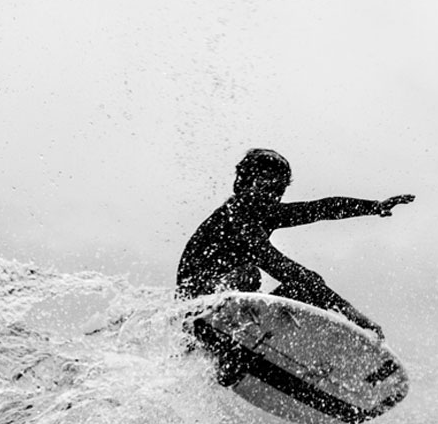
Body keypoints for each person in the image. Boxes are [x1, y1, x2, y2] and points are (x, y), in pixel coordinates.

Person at [176, 149, 414, 382]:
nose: (273, 197)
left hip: (223, 316)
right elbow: (280, 266)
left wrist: (373, 207)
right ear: (243, 183)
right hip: (199, 315)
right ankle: (232, 352)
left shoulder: (263, 212)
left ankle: (250, 349)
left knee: (301, 291)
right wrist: (352, 315)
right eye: (267, 187)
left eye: (278, 191)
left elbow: (321, 209)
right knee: (251, 276)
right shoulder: (236, 218)